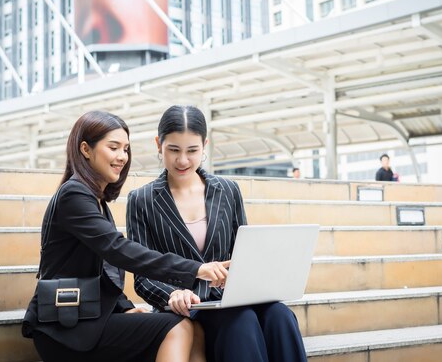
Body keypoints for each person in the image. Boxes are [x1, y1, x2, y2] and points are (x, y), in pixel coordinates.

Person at [22, 111, 230, 362]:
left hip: (89, 318)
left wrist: (125, 307)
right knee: (178, 327)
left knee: (194, 328)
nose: (122, 157)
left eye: (126, 149)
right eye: (113, 148)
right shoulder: (73, 196)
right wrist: (197, 269)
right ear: (86, 149)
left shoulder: (96, 201)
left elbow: (102, 269)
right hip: (65, 329)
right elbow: (119, 250)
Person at [126, 105, 308, 362]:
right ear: (159, 144)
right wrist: (172, 294)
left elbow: (243, 252)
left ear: (205, 146)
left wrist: (243, 271)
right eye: (173, 150)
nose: (183, 160)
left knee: (280, 316)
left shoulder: (228, 191)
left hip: (228, 299)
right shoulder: (142, 200)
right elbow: (142, 275)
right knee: (241, 322)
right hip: (185, 308)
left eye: (192, 151)